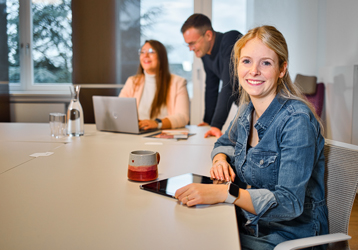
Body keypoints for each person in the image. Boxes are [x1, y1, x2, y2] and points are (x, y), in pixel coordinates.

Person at [175, 25, 328, 249]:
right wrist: (220, 160)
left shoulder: (296, 121)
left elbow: (289, 203)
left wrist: (225, 192)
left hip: (288, 235)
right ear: (237, 66)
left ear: (282, 69)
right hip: (252, 223)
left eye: (265, 62)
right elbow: (225, 142)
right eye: (246, 61)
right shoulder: (247, 110)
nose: (253, 71)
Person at [181, 13, 242, 138]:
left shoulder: (230, 39)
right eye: (188, 45)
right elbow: (211, 88)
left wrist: (216, 125)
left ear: (208, 35)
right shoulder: (206, 54)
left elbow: (228, 83)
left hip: (266, 103)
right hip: (245, 104)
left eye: (193, 43)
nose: (190, 49)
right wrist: (208, 122)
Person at [119, 40, 190, 130]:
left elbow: (183, 117)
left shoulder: (178, 83)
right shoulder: (132, 82)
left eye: (151, 52)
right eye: (142, 52)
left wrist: (157, 123)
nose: (145, 55)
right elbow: (120, 110)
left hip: (165, 137)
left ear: (161, 57)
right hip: (137, 134)